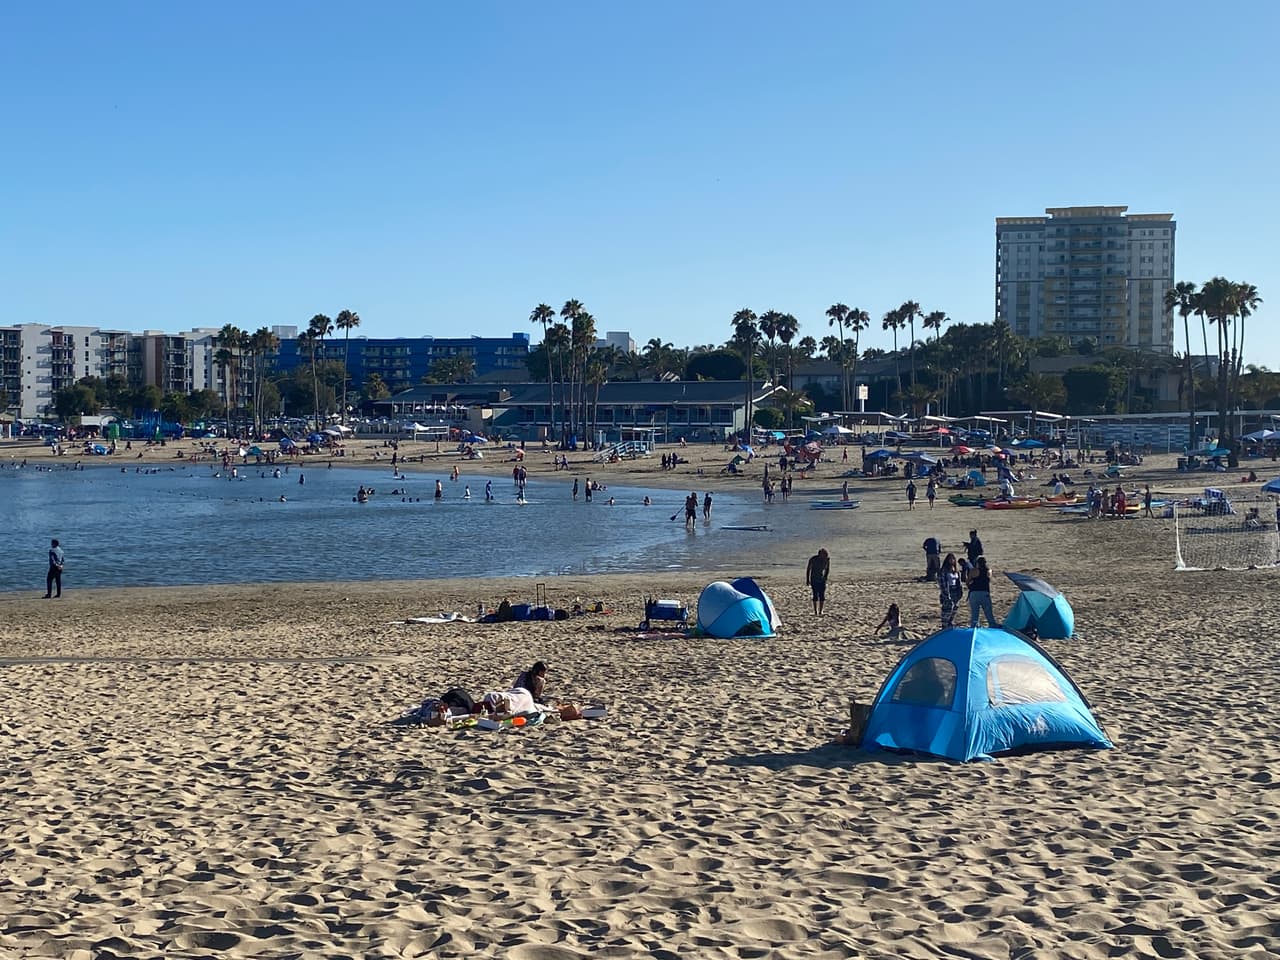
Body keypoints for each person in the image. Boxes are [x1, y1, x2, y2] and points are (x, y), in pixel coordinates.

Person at [967, 556, 996, 627]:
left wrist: (971, 585)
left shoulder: (973, 571)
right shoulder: (988, 571)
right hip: (984, 592)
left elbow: (967, 581)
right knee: (988, 613)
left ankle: (974, 627)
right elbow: (989, 579)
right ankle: (992, 626)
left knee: (974, 613)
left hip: (974, 593)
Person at [937, 553, 962, 629]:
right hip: (948, 590)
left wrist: (960, 591)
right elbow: (942, 583)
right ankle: (944, 625)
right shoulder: (944, 570)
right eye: (950, 559)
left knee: (955, 607)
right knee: (947, 608)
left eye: (953, 559)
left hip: (955, 591)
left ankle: (950, 622)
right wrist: (946, 594)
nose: (952, 560)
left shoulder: (956, 571)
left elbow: (959, 581)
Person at [805, 547, 830, 616]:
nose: (825, 556)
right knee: (815, 595)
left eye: (825, 555)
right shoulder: (813, 559)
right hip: (814, 579)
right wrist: (807, 579)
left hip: (822, 579)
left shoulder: (827, 559)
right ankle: (815, 611)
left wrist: (825, 577)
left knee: (822, 595)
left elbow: (827, 569)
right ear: (819, 554)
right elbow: (808, 569)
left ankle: (821, 611)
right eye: (823, 555)